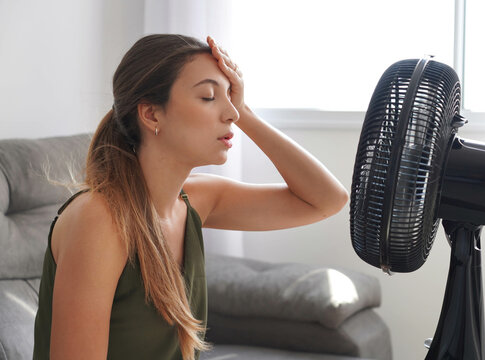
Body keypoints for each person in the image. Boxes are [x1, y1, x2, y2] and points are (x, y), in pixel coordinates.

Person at [32, 34, 349, 360]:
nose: (231, 114)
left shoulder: (196, 200)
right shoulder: (99, 219)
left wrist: (247, 112)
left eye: (230, 97)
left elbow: (327, 200)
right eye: (209, 97)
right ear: (152, 115)